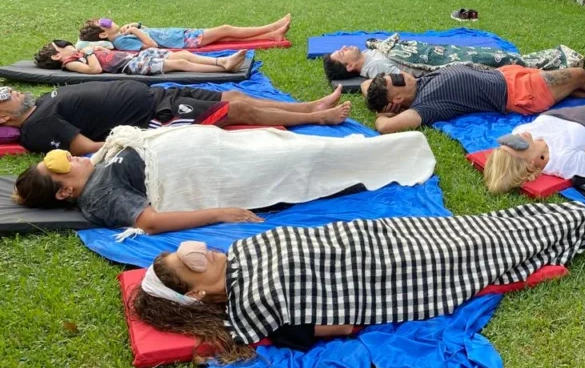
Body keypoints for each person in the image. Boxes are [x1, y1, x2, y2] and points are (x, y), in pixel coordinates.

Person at [131, 202, 585, 358]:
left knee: (475, 228)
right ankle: (571, 221)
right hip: (399, 269)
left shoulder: (240, 254)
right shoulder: (255, 311)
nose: (203, 249)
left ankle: (563, 217)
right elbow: (343, 324)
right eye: (193, 260)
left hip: (385, 234)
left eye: (190, 246)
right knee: (477, 248)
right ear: (195, 292)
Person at [12, 125, 436, 232]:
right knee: (311, 158)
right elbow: (150, 221)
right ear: (67, 190)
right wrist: (223, 213)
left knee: (289, 146)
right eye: (62, 165)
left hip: (216, 149)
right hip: (216, 170)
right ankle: (402, 151)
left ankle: (391, 148)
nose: (70, 157)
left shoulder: (96, 169)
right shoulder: (99, 197)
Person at [0, 81, 350, 155]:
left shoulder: (40, 102)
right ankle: (322, 119)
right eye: (5, 96)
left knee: (236, 96)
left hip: (157, 96)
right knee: (238, 111)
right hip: (157, 117)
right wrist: (146, 139)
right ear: (3, 116)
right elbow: (89, 147)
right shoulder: (38, 127)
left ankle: (310, 106)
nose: (13, 91)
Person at [362, 64, 585, 134]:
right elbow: (384, 127)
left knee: (570, 88)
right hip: (518, 93)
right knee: (576, 75)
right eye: (395, 80)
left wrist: (378, 95)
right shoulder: (426, 105)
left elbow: (365, 85)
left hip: (510, 77)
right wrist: (384, 115)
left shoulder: (414, 87)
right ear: (394, 102)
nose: (400, 74)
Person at [323, 34, 585, 81]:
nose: (345, 46)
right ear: (349, 66)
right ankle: (562, 61)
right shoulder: (376, 66)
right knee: (500, 60)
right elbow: (408, 77)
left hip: (441, 52)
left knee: (500, 56)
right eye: (341, 52)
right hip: (444, 61)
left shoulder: (371, 54)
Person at [77, 14, 291, 51]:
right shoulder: (123, 43)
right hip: (183, 41)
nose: (110, 21)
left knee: (226, 36)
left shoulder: (123, 35)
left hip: (180, 34)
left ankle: (273, 36)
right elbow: (151, 45)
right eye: (106, 23)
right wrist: (134, 30)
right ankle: (272, 27)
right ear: (104, 35)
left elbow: (148, 32)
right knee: (226, 29)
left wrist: (135, 26)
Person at [34, 40, 249, 76]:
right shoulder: (70, 63)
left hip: (135, 56)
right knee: (180, 64)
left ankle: (221, 61)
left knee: (181, 54)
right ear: (57, 55)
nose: (69, 45)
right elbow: (95, 70)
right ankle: (224, 68)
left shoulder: (77, 54)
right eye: (64, 46)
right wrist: (89, 53)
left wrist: (95, 47)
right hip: (131, 66)